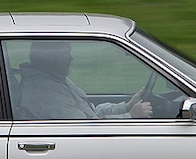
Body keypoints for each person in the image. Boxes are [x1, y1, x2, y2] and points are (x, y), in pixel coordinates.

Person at [18, 41, 153, 119]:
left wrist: (126, 106)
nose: (71, 58)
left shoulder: (54, 79)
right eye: (66, 54)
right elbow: (91, 126)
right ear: (49, 58)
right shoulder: (46, 95)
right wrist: (131, 116)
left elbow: (91, 112)